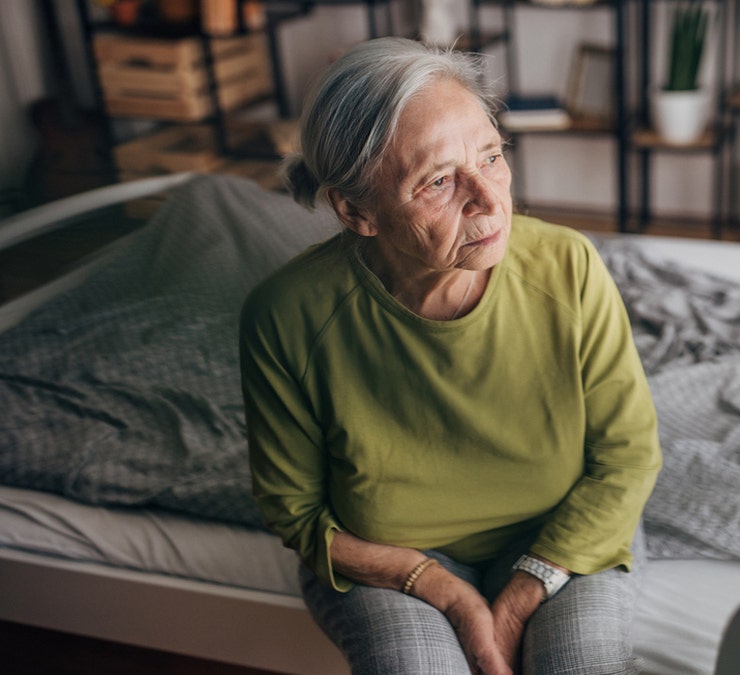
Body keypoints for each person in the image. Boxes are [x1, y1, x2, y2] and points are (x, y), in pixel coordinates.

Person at [239, 37, 662, 675]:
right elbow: (296, 511)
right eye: (439, 182)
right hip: (388, 558)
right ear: (356, 211)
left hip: (561, 538)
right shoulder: (286, 316)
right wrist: (444, 591)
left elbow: (627, 457)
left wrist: (519, 598)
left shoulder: (569, 266)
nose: (492, 202)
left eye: (491, 157)